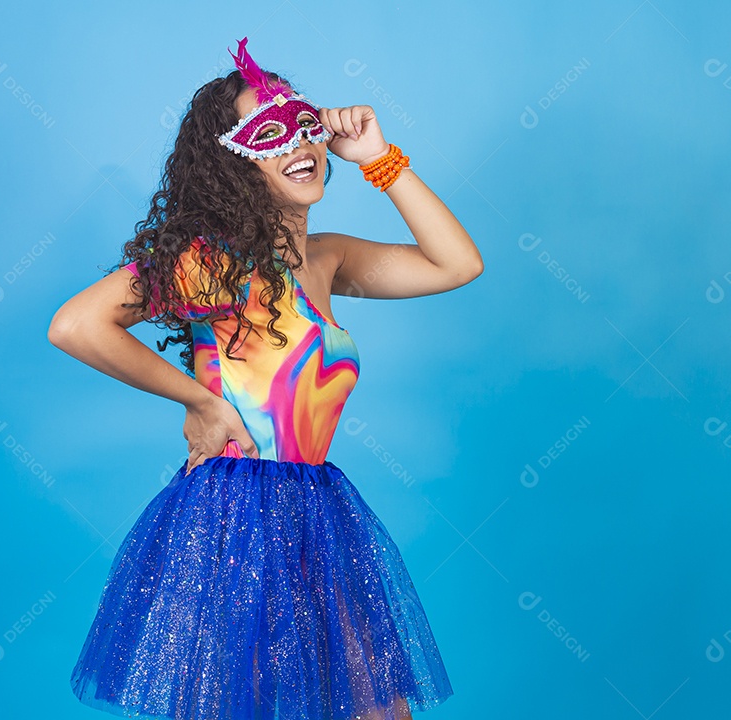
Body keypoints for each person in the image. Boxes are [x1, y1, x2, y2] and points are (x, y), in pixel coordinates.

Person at [48, 36, 482, 720]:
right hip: (235, 511)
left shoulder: (328, 260)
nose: (297, 141)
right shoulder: (215, 264)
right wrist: (198, 401)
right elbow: (76, 325)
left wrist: (378, 158)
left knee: (378, 711)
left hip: (316, 509)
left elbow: (456, 265)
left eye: (304, 122)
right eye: (269, 131)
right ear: (234, 162)